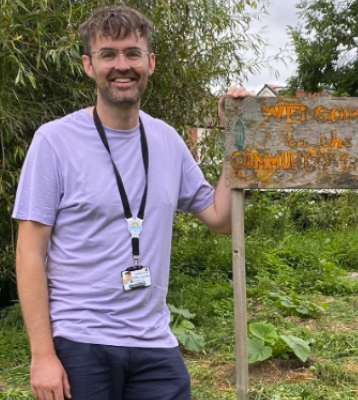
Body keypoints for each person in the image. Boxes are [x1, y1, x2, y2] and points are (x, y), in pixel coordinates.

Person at [13, 5, 249, 400]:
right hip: (79, 341)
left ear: (150, 62)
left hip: (154, 342)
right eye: (108, 54)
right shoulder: (54, 142)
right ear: (89, 65)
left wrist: (234, 136)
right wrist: (42, 355)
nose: (122, 65)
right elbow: (29, 252)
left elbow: (222, 218)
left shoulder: (167, 141)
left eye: (132, 53)